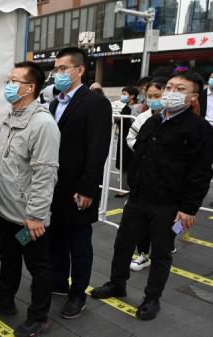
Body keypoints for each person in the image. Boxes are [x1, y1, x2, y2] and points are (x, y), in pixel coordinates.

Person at [91, 71, 213, 321]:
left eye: (180, 89)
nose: (171, 92)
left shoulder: (199, 128)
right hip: (138, 198)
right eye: (169, 86)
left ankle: (151, 298)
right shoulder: (153, 121)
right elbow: (139, 157)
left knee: (160, 253)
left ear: (192, 97)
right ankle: (117, 284)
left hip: (169, 204)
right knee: (123, 244)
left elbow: (200, 173)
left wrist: (188, 209)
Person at [0, 61, 60, 337]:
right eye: (8, 80)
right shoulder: (10, 118)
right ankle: (5, 300)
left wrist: (35, 215)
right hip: (5, 209)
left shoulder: (42, 124)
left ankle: (39, 317)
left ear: (30, 87)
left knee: (38, 266)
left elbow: (45, 174)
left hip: (27, 217)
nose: (8, 85)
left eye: (14, 81)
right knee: (9, 257)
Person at [48, 47, 112, 319]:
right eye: (56, 69)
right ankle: (59, 281)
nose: (58, 74)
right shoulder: (54, 103)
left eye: (63, 68)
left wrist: (87, 188)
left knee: (79, 244)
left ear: (80, 70)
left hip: (78, 188)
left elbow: (97, 149)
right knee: (56, 239)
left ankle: (78, 294)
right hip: (54, 186)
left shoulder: (96, 103)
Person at [125, 81, 165, 272]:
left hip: (166, 183)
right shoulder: (142, 117)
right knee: (140, 220)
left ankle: (164, 246)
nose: (153, 100)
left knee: (163, 222)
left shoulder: (180, 120)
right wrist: (144, 152)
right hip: (142, 178)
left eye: (158, 96)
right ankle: (143, 253)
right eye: (150, 96)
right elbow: (130, 139)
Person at [114, 86, 139, 198]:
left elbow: (132, 122)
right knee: (123, 162)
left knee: (126, 163)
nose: (122, 96)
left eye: (125, 93)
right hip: (123, 137)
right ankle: (125, 187)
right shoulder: (125, 106)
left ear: (132, 96)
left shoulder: (136, 108)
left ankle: (123, 189)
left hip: (129, 138)